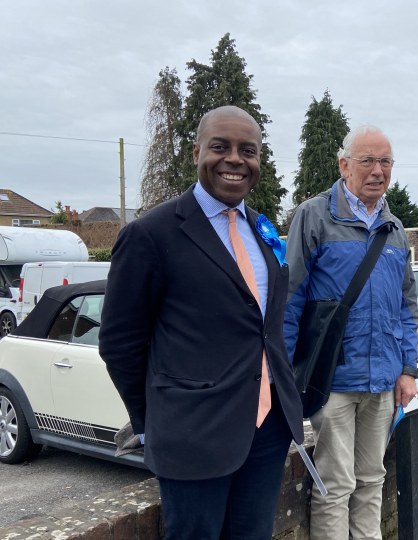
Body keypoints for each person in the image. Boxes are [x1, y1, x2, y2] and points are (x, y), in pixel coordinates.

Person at [99, 106, 304, 539]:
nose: (235, 159)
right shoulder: (150, 234)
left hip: (268, 428)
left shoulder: (263, 230)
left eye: (248, 150)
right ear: (197, 152)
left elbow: (267, 327)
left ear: (259, 161)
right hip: (193, 436)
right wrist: (153, 423)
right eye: (220, 147)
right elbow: (119, 343)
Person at [284, 125, 418, 540]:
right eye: (368, 161)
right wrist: (285, 374)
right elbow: (291, 299)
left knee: (372, 479)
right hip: (334, 380)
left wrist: (408, 369)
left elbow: (406, 306)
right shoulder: (313, 215)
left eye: (386, 162)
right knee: (335, 484)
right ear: (344, 165)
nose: (378, 170)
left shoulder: (394, 228)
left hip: (382, 380)